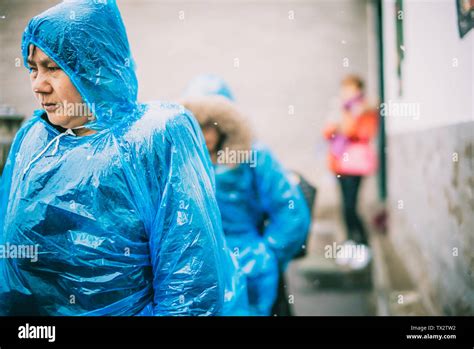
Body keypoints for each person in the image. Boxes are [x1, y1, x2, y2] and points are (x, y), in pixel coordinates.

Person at [0, 0, 229, 316]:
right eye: (33, 68)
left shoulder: (153, 139)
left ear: (95, 68)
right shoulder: (33, 141)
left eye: (53, 67)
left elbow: (190, 282)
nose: (39, 85)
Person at [181, 76, 311, 316]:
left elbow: (290, 211)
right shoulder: (180, 164)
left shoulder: (254, 156)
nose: (205, 133)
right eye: (198, 124)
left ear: (226, 124)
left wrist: (268, 253)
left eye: (211, 124)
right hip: (199, 273)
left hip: (251, 269)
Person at [323, 75, 378, 270]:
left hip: (356, 164)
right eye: (343, 88)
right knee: (344, 207)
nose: (345, 92)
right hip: (340, 164)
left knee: (351, 206)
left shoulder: (365, 109)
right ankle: (350, 243)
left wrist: (346, 119)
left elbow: (357, 132)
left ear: (359, 89)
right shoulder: (342, 109)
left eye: (349, 88)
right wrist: (340, 121)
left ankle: (363, 245)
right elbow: (327, 132)